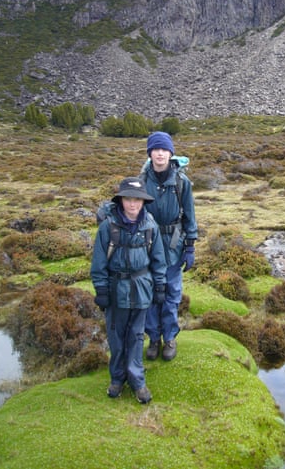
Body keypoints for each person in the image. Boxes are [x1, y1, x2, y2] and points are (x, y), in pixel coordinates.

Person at [90, 176, 167, 403]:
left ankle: (137, 382)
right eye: (128, 199)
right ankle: (117, 378)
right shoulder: (108, 227)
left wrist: (160, 286)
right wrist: (102, 290)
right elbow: (98, 263)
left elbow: (158, 260)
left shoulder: (151, 226)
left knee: (135, 337)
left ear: (143, 202)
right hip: (116, 292)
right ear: (121, 200)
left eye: (137, 200)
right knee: (116, 338)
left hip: (142, 289)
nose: (133, 204)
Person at [142, 131, 198, 362]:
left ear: (170, 153)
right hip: (147, 245)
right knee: (151, 293)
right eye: (156, 150)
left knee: (172, 294)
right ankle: (154, 339)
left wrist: (190, 246)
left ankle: (170, 337)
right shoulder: (142, 181)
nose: (160, 154)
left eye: (164, 150)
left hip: (174, 244)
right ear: (150, 154)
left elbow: (190, 216)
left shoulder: (181, 182)